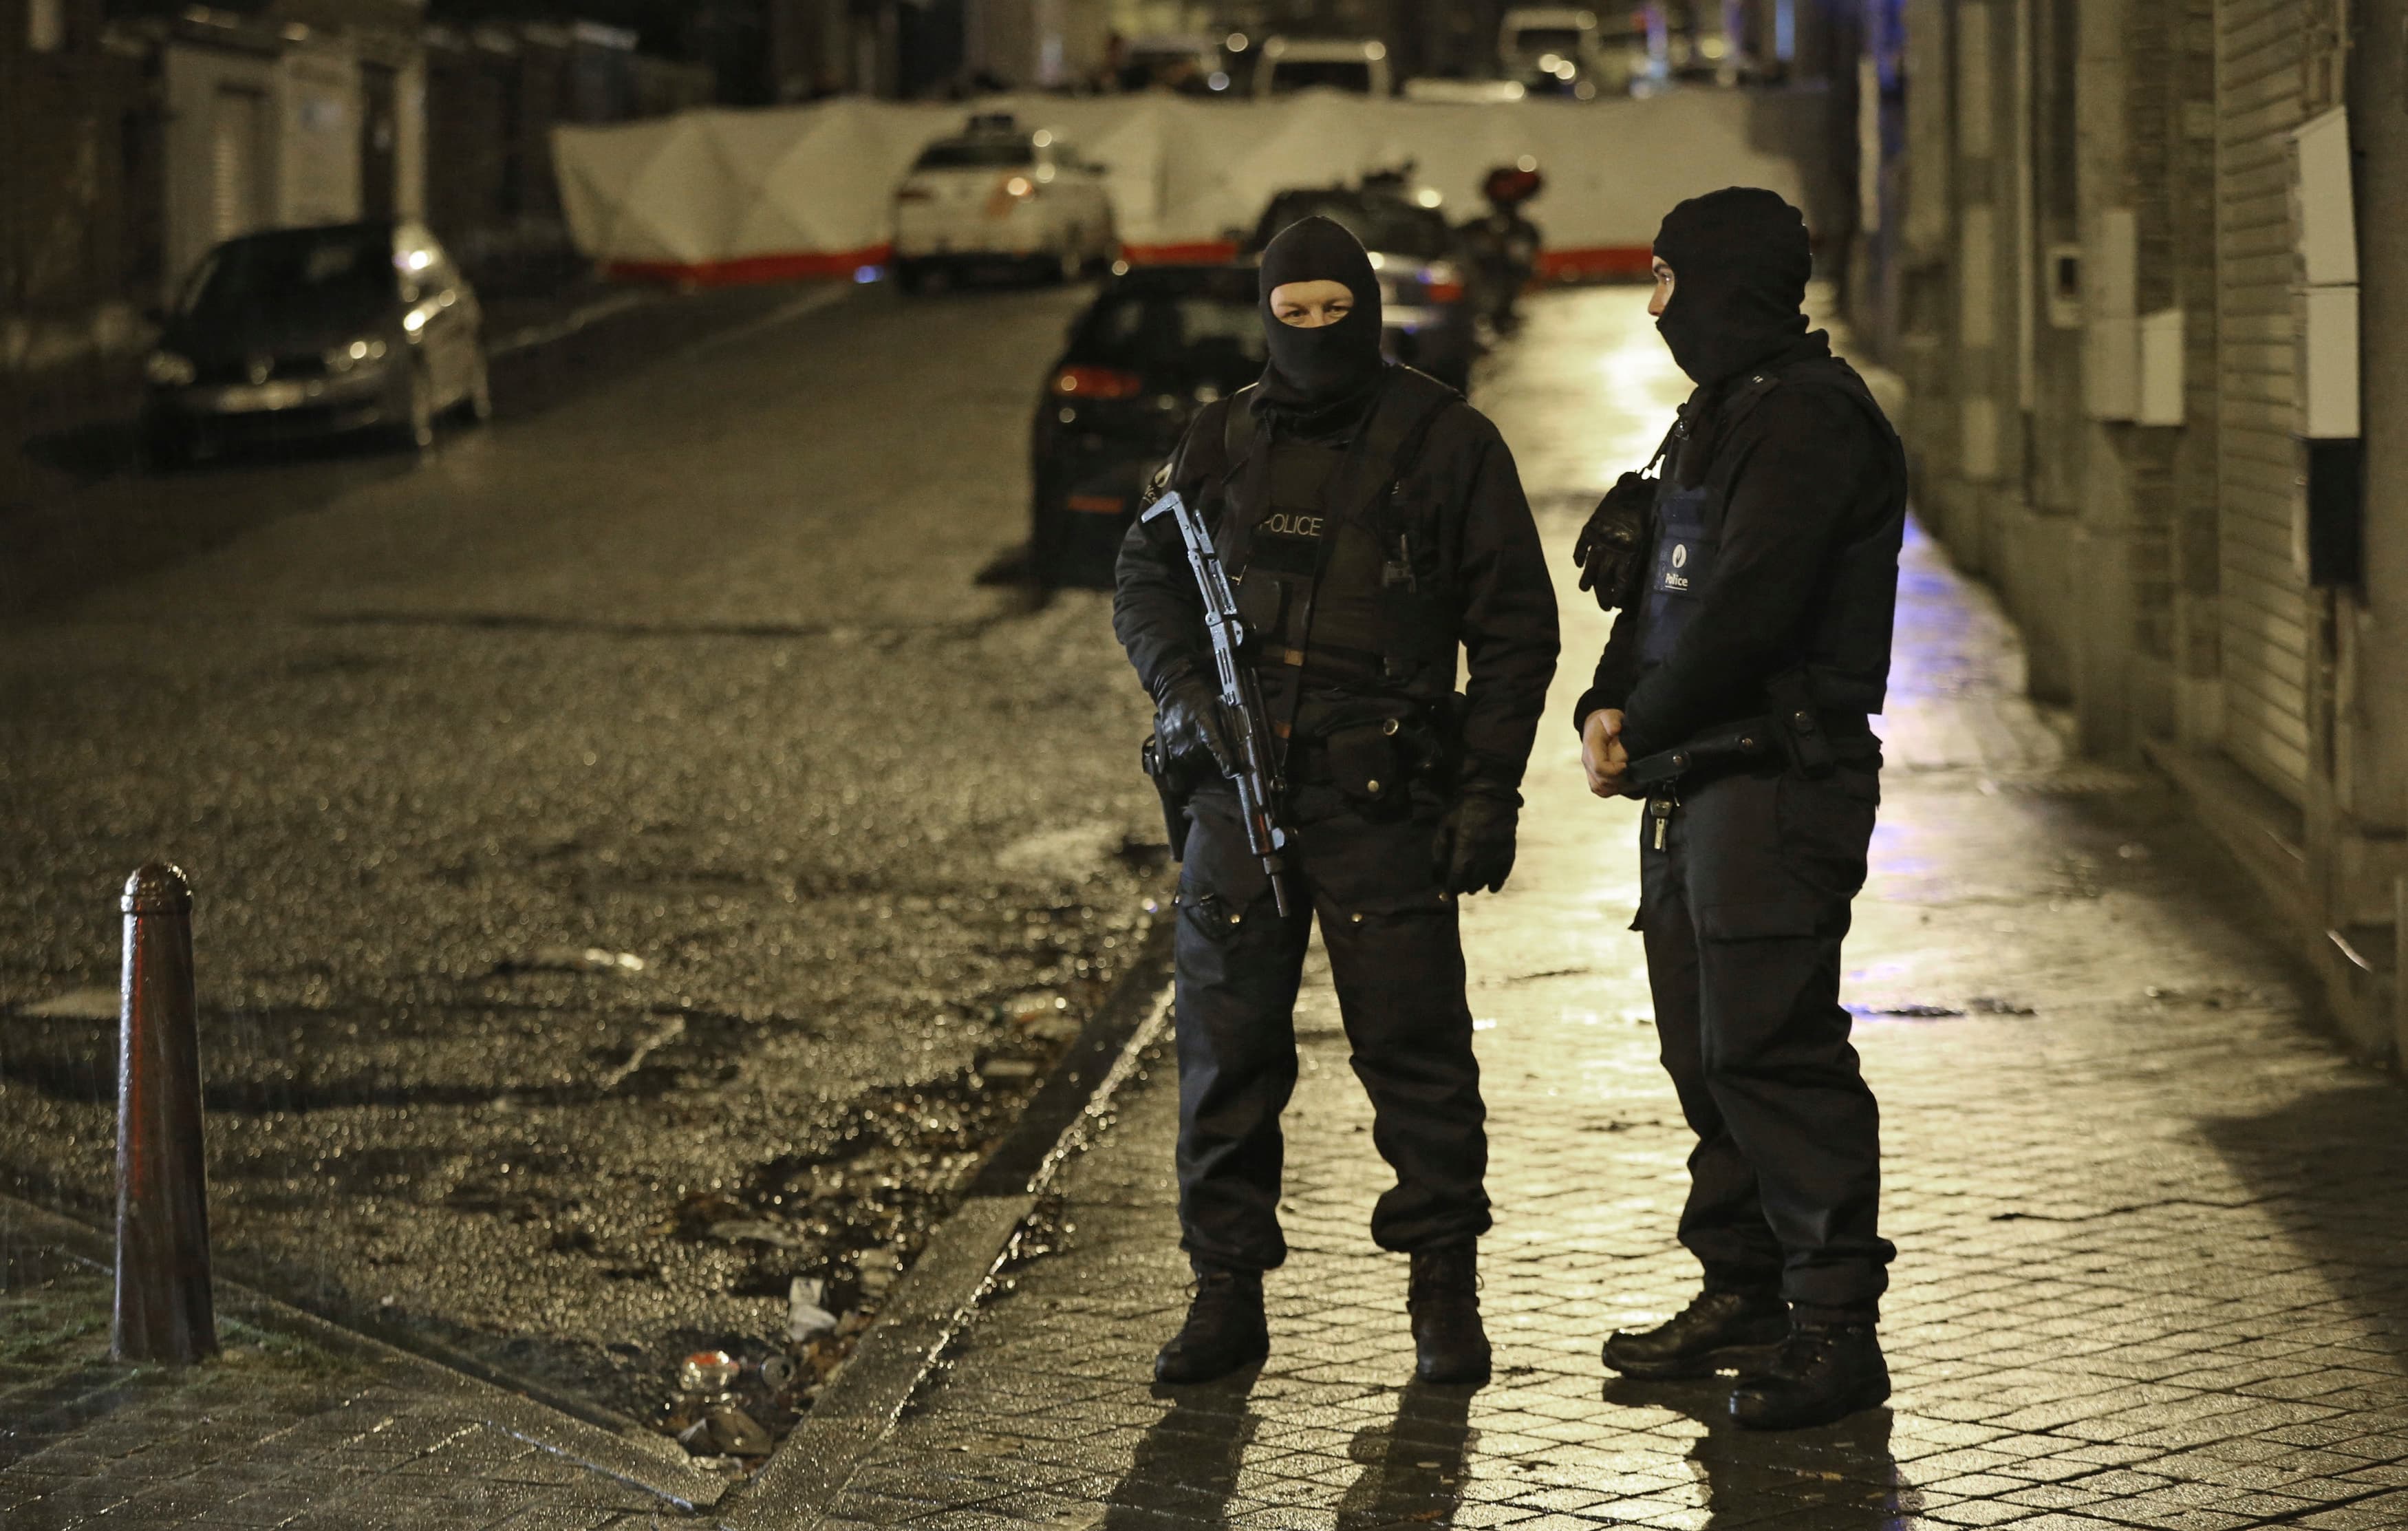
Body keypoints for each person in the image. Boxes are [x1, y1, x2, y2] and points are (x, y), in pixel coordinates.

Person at [1114, 215, 1558, 1387]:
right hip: (1239, 799)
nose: (1315, 334)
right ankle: (1224, 1295)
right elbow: (1146, 575)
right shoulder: (1218, 441)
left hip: (1384, 795)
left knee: (1415, 1049)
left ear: (1365, 307)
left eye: (1334, 311)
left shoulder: (1447, 441)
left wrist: (1487, 791)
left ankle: (1442, 1294)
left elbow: (1516, 631)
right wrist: (1183, 690)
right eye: (1293, 313)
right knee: (1224, 1046)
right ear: (1267, 315)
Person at [1568, 186, 1908, 1431]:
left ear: (1722, 283)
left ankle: (1833, 1326)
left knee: (1775, 1047)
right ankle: (1745, 1288)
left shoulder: (1813, 422)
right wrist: (1606, 705)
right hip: (1694, 784)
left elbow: (1749, 611)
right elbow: (1657, 600)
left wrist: (1640, 721)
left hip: (1776, 780)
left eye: (1665, 280)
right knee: (1705, 1053)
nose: (1654, 306)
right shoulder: (1715, 417)